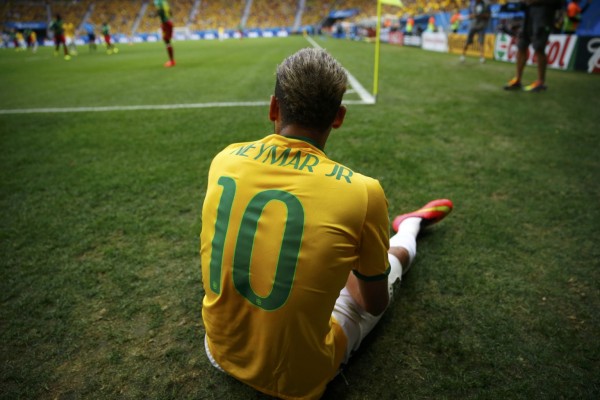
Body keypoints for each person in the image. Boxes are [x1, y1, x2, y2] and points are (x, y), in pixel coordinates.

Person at [200, 48, 453, 400]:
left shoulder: (224, 159)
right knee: (376, 279)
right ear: (339, 117)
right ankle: (409, 229)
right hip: (296, 380)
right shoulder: (363, 192)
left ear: (274, 107)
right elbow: (375, 303)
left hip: (218, 350)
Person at [504, 0, 564, 92]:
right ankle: (517, 79)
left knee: (539, 46)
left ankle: (540, 82)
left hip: (544, 12)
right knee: (521, 44)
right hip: (529, 12)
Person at [154, 0, 175, 67]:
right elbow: (169, 11)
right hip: (168, 22)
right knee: (166, 40)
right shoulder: (164, 1)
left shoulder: (158, 1)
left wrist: (155, 15)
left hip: (166, 23)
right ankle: (171, 60)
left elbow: (161, 11)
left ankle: (172, 61)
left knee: (166, 40)